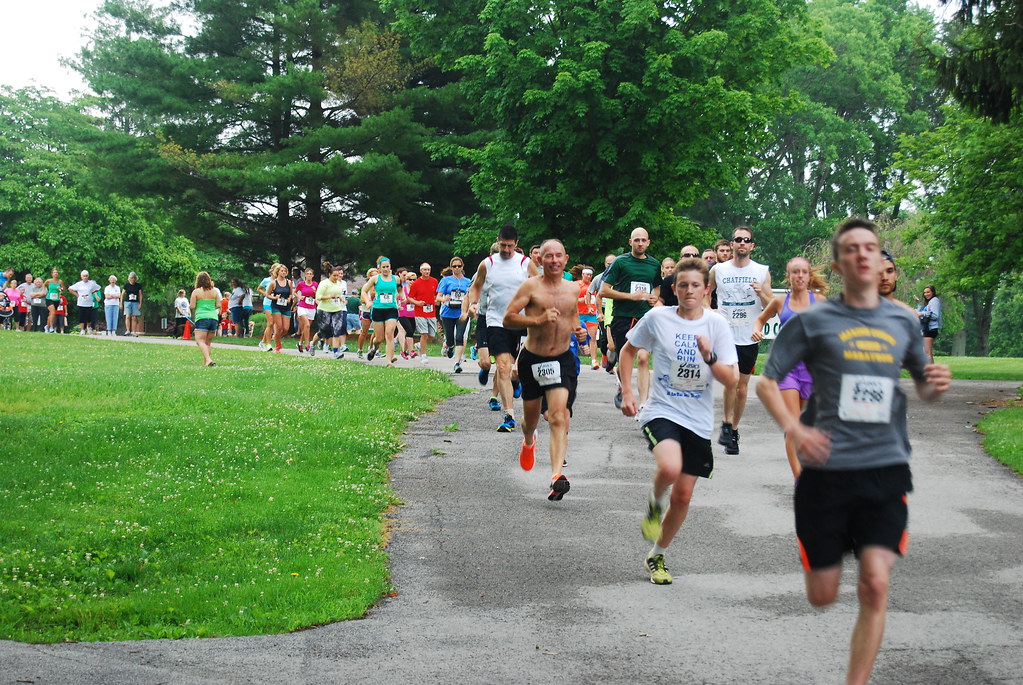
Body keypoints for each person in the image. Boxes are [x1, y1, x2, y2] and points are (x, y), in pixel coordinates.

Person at [756, 217, 951, 685]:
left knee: (875, 583)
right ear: (840, 264)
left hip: (884, 469)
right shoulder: (814, 320)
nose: (863, 255)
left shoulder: (903, 319)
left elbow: (923, 385)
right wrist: (795, 430)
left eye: (871, 247)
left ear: (880, 259)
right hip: (825, 471)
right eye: (852, 249)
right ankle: (821, 549)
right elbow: (766, 382)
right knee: (823, 595)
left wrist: (934, 385)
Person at [619, 258, 738, 584]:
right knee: (669, 468)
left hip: (698, 420)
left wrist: (709, 357)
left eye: (695, 285)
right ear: (674, 288)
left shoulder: (717, 326)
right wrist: (628, 391)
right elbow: (628, 351)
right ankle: (655, 505)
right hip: (662, 410)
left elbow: (731, 380)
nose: (689, 291)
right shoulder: (658, 318)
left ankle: (657, 555)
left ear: (706, 289)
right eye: (682, 285)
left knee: (684, 496)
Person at [504, 239, 589, 499]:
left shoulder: (572, 288)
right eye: (548, 256)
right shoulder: (531, 287)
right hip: (534, 359)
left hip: (562, 360)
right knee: (530, 420)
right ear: (540, 260)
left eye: (558, 256)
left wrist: (580, 331)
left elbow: (572, 314)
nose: (553, 260)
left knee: (558, 415)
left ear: (565, 259)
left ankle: (556, 476)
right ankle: (529, 441)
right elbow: (508, 318)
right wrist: (538, 319)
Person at [751, 257, 827, 480]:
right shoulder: (779, 302)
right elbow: (760, 320)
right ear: (789, 275)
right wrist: (757, 330)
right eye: (795, 272)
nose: (799, 276)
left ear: (809, 275)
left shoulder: (820, 301)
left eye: (803, 272)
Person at [463, 224, 539, 432]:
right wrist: (474, 303)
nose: (506, 250)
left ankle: (515, 381)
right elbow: (476, 285)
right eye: (503, 245)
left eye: (510, 246)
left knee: (518, 371)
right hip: (497, 321)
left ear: (517, 244)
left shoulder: (525, 263)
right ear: (498, 242)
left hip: (522, 323)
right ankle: (509, 416)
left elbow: (538, 288)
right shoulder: (487, 263)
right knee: (504, 367)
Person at [707, 226, 772, 455]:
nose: (742, 243)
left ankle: (734, 430)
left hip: (748, 336)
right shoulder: (719, 269)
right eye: (738, 240)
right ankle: (726, 423)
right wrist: (710, 310)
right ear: (732, 244)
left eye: (747, 240)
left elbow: (770, 307)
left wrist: (761, 294)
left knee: (742, 387)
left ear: (752, 245)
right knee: (731, 381)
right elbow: (706, 292)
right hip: (726, 334)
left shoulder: (761, 271)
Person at [600, 227, 661, 410]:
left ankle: (643, 403)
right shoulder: (620, 262)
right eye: (637, 240)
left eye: (643, 240)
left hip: (644, 318)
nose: (640, 243)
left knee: (643, 358)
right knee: (623, 359)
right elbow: (604, 290)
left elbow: (657, 287)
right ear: (630, 242)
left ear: (648, 242)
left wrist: (654, 297)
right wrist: (630, 296)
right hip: (623, 317)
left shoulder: (654, 264)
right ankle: (623, 387)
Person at [362, 258, 401, 365]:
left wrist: (403, 297)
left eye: (387, 267)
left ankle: (389, 361)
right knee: (379, 338)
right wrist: (368, 301)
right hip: (378, 309)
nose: (385, 269)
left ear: (390, 267)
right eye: (383, 267)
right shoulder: (375, 279)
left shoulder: (396, 279)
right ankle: (374, 349)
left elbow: (400, 289)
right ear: (379, 268)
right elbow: (364, 291)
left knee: (389, 334)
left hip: (391, 309)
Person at [437, 256, 471, 373]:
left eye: (459, 266)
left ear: (462, 267)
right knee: (451, 339)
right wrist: (444, 299)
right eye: (454, 266)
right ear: (451, 268)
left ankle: (457, 363)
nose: (457, 268)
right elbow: (438, 297)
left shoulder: (468, 281)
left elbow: (472, 296)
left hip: (462, 313)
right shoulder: (446, 280)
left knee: (459, 337)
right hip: (448, 313)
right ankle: (449, 346)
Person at [408, 262, 439, 363]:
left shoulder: (434, 281)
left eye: (428, 270)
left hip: (431, 311)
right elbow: (409, 297)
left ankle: (419, 345)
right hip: (420, 312)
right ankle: (424, 355)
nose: (427, 271)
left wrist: (437, 300)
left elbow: (437, 294)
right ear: (421, 271)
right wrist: (417, 302)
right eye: (425, 270)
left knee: (431, 335)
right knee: (424, 334)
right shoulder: (416, 283)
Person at [316, 264, 349, 358]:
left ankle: (336, 352)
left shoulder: (339, 284)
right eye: (334, 275)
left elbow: (338, 295)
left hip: (337, 309)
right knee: (324, 330)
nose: (336, 277)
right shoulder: (324, 283)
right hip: (324, 310)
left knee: (337, 330)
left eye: (337, 276)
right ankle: (313, 344)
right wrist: (330, 297)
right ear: (329, 274)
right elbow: (318, 297)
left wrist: (343, 300)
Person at [571, 265, 600, 369]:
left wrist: (597, 310)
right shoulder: (576, 285)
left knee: (592, 338)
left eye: (591, 275)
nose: (589, 277)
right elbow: (570, 298)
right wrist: (580, 300)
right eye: (587, 274)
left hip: (591, 315)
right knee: (577, 337)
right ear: (582, 274)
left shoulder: (594, 285)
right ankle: (574, 358)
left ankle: (594, 361)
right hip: (579, 314)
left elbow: (598, 298)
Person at [189, 271, 220, 366]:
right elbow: (218, 305)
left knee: (200, 341)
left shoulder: (196, 292)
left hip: (202, 318)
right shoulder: (214, 291)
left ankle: (208, 360)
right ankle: (206, 362)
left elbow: (192, 306)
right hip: (213, 318)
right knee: (208, 343)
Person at [256, 264, 281, 351]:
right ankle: (268, 344)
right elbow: (259, 289)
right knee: (270, 323)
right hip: (268, 303)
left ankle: (263, 341)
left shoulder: (280, 281)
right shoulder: (266, 280)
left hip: (277, 304)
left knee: (273, 324)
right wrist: (266, 294)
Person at [294, 268, 319, 353]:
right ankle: (308, 345)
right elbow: (295, 292)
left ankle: (300, 343)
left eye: (310, 274)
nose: (309, 275)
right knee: (307, 325)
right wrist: (299, 297)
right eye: (307, 274)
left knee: (306, 327)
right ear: (305, 275)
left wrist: (315, 292)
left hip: (312, 307)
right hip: (302, 306)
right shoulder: (301, 284)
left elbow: (318, 295)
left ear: (313, 275)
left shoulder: (315, 284)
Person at [69, 270, 100, 335]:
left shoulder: (91, 283)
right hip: (81, 302)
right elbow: (70, 288)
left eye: (86, 276)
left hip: (89, 303)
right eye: (84, 276)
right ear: (81, 277)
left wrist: (93, 291)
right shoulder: (79, 284)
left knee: (89, 317)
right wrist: (76, 294)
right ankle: (82, 329)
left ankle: (89, 328)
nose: (85, 277)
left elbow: (98, 287)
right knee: (81, 317)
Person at [356, 267, 377, 358]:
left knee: (377, 332)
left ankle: (371, 348)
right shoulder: (366, 286)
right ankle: (360, 349)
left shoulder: (379, 286)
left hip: (376, 310)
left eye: (376, 275)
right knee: (364, 332)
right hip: (366, 311)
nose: (374, 277)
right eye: (372, 275)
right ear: (369, 277)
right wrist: (368, 301)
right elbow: (362, 299)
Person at [917, 284, 942, 364]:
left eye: (928, 292)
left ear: (933, 292)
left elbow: (935, 315)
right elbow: (924, 311)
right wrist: (919, 304)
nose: (926, 294)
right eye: (924, 293)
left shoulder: (934, 301)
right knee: (925, 352)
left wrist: (923, 314)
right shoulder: (930, 302)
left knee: (927, 353)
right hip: (927, 328)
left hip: (930, 329)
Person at [398, 269, 418, 359]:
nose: (412, 282)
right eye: (410, 280)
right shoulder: (403, 289)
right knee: (409, 331)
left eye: (414, 280)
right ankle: (411, 351)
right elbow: (396, 299)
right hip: (403, 314)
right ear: (406, 280)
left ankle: (404, 351)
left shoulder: (416, 290)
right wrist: (400, 304)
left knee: (410, 333)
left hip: (413, 314)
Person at [121, 272, 143, 336]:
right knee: (127, 316)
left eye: (134, 278)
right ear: (129, 279)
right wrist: (121, 303)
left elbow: (140, 295)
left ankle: (134, 331)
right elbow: (122, 294)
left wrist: (140, 303)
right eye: (132, 278)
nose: (133, 279)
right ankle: (127, 330)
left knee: (134, 317)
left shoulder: (138, 286)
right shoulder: (126, 285)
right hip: (127, 302)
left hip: (135, 302)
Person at [43, 268, 64, 333]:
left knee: (51, 314)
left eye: (57, 272)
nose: (55, 274)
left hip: (56, 299)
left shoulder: (60, 281)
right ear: (52, 274)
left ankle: (47, 326)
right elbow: (43, 284)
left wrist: (60, 289)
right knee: (53, 312)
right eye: (54, 272)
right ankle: (52, 327)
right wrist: (44, 291)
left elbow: (63, 289)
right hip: (49, 298)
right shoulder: (49, 281)